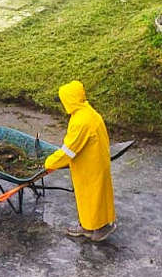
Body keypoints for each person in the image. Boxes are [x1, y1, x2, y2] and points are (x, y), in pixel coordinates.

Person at [44, 80, 116, 242]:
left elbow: (68, 151)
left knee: (92, 196)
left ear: (69, 100)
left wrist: (49, 163)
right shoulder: (88, 113)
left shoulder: (80, 122)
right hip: (95, 162)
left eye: (63, 101)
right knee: (94, 196)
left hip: (89, 166)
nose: (62, 105)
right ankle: (91, 226)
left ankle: (99, 228)